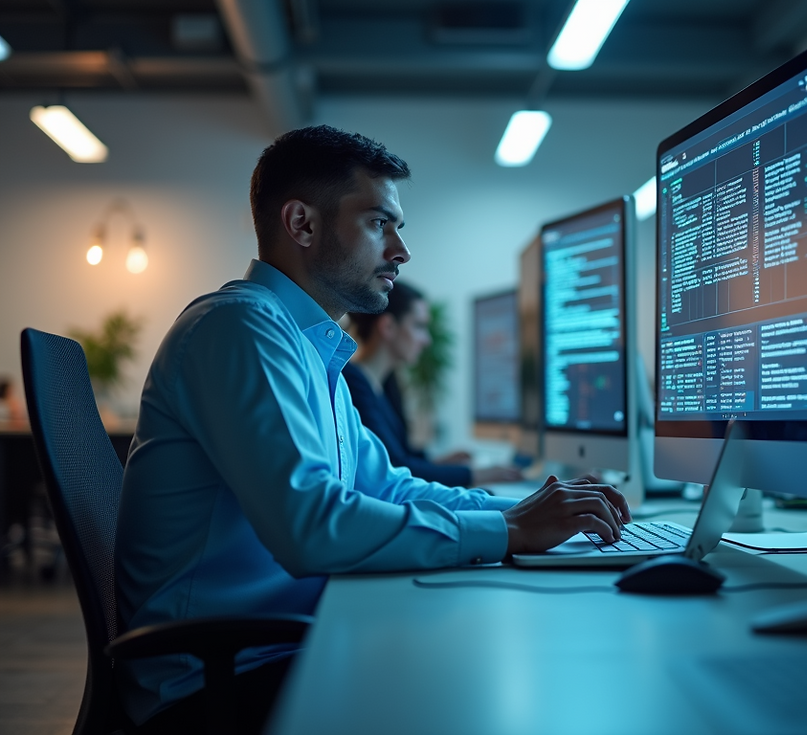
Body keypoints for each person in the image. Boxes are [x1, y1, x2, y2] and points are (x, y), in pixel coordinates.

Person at [114, 125, 631, 734]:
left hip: (280, 644)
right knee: (490, 685)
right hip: (213, 681)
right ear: (302, 224)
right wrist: (509, 528)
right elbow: (311, 527)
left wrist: (532, 510)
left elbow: (388, 488)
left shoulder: (309, 347)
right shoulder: (239, 330)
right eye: (378, 223)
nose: (401, 251)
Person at [344, 280, 523, 487]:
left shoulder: (386, 383)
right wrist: (478, 474)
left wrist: (438, 463)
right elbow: (396, 468)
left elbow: (403, 455)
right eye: (419, 326)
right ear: (388, 326)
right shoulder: (353, 381)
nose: (426, 340)